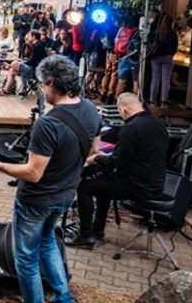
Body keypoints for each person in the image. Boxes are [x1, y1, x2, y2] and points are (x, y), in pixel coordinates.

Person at [0, 55, 100, 303]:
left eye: (43, 84)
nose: (42, 90)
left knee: (26, 258)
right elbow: (93, 153)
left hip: (36, 200)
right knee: (47, 241)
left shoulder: (48, 123)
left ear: (52, 83)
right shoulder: (90, 109)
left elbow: (33, 173)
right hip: (65, 195)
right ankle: (64, 302)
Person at [68, 93, 166, 248]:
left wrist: (97, 158)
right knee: (104, 184)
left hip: (136, 186)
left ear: (122, 109)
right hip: (155, 183)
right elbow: (140, 155)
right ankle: (97, 232)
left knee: (84, 187)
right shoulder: (158, 124)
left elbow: (116, 162)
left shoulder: (131, 128)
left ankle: (85, 236)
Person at [0, 30, 48, 96]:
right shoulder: (36, 45)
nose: (28, 38)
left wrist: (22, 62)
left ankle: (8, 66)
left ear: (34, 37)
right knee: (12, 71)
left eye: (29, 36)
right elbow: (32, 60)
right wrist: (23, 62)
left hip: (36, 71)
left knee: (14, 64)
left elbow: (32, 62)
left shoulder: (38, 46)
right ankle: (5, 90)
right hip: (35, 69)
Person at [148, 14, 178, 107]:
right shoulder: (173, 34)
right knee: (166, 80)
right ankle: (164, 102)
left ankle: (152, 100)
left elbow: (151, 43)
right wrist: (171, 54)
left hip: (156, 57)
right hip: (168, 58)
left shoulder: (157, 32)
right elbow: (175, 47)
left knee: (155, 79)